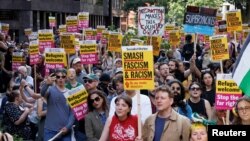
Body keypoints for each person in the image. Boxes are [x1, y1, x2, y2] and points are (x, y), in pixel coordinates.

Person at [41, 68, 75, 140]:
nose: (60, 79)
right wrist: (46, 84)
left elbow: (72, 113)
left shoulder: (70, 93)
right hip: (50, 130)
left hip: (65, 131)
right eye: (58, 77)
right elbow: (42, 93)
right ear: (55, 78)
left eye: (63, 77)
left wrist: (67, 127)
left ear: (66, 78)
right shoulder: (50, 89)